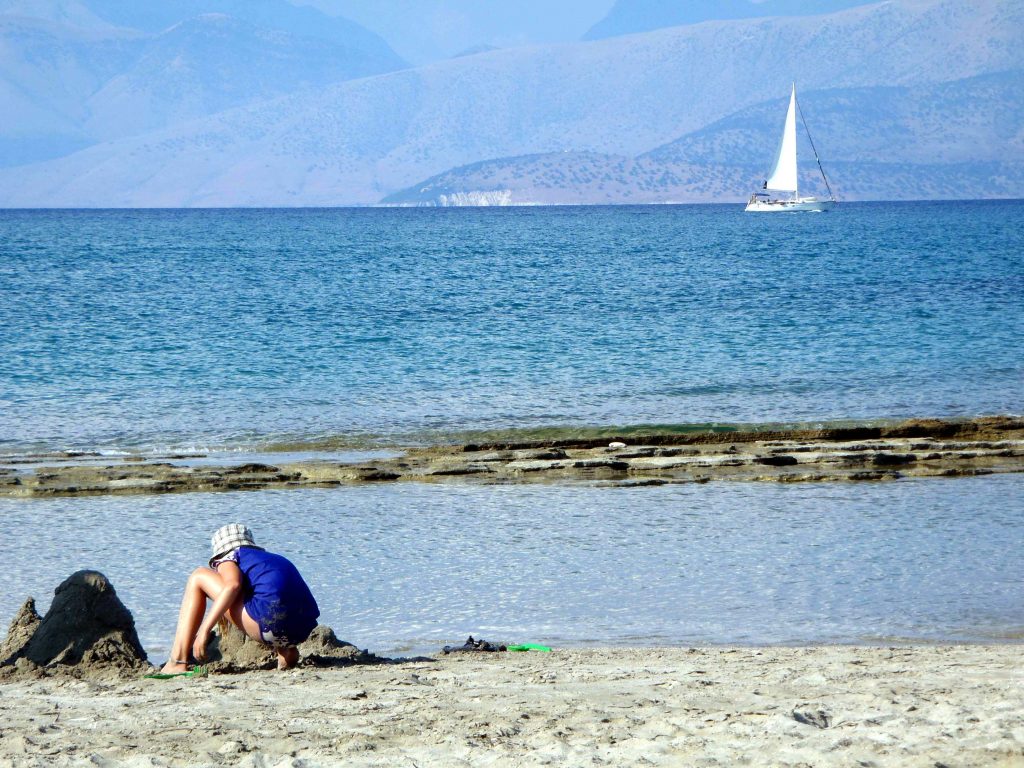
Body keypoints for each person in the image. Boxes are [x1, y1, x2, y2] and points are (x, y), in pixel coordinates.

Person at [160, 524, 320, 673]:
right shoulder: (269, 560)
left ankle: (177, 661)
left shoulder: (230, 555)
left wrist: (204, 630)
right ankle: (287, 650)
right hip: (303, 629)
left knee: (198, 576)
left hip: (271, 626)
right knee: (270, 597)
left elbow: (233, 585)